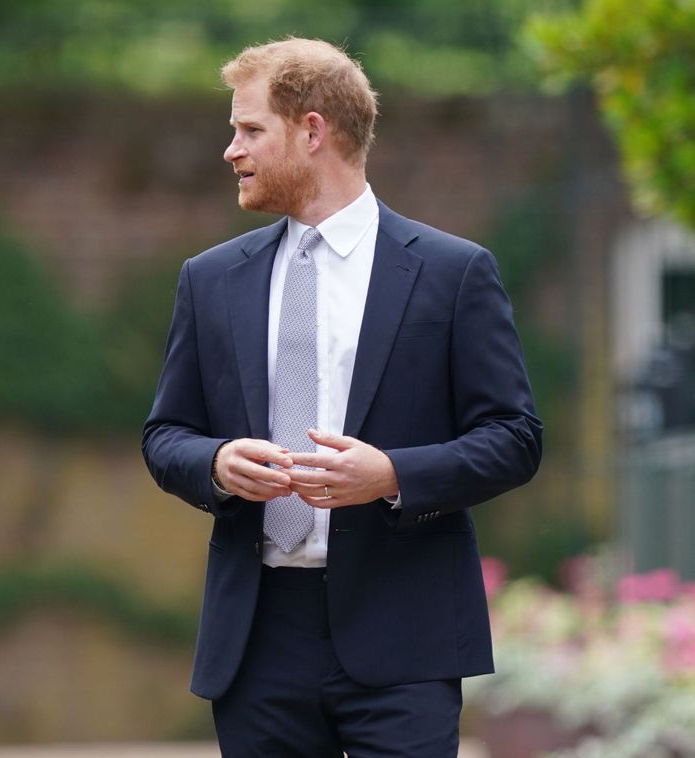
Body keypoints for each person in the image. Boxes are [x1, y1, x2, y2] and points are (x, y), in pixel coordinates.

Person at [142, 38, 543, 757]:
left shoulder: (453, 273)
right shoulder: (209, 279)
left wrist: (391, 476)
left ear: (313, 130)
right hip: (257, 639)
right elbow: (165, 433)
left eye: (249, 129)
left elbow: (513, 437)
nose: (230, 150)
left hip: (406, 633)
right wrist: (217, 461)